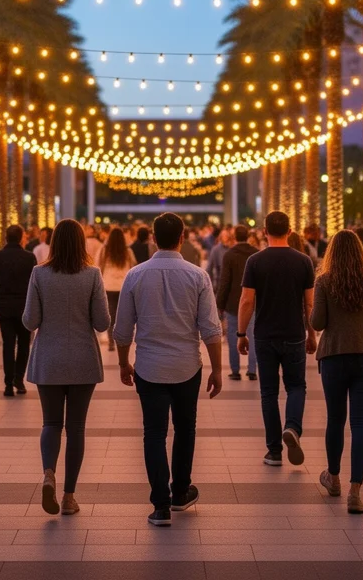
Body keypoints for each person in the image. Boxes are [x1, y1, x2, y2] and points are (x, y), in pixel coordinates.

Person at [114, 212, 223, 527]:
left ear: (152, 238)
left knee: (154, 432)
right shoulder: (198, 276)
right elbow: (210, 329)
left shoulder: (135, 275)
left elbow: (122, 329)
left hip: (148, 366)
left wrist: (123, 362)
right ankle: (180, 492)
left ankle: (160, 505)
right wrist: (217, 369)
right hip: (187, 364)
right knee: (185, 429)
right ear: (182, 237)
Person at [23, 219, 111, 516]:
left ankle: (49, 473)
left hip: (49, 358)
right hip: (83, 360)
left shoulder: (39, 273)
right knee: (76, 428)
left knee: (51, 423)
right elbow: (102, 322)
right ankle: (69, 497)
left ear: (54, 242)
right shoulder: (92, 274)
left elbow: (30, 321)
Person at [310, 230, 363, 514]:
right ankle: (355, 492)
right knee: (360, 423)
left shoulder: (324, 281)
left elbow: (318, 323)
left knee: (335, 419)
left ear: (331, 252)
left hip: (334, 356)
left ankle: (333, 478)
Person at [238, 210, 315, 467]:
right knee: (296, 386)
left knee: (269, 392)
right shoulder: (304, 261)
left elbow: (247, 301)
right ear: (290, 231)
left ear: (264, 231)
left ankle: (274, 451)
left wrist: (241, 334)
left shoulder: (255, 261)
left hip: (264, 335)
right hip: (294, 334)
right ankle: (292, 427)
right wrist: (311, 333)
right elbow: (309, 303)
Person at [0, 224, 38, 397]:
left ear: (6, 237)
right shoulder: (29, 257)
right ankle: (19, 380)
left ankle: (8, 384)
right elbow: (34, 281)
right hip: (24, 306)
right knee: (24, 344)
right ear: (22, 237)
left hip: (4, 305)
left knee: (8, 345)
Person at [214, 225, 257, 381]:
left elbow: (224, 282)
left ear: (234, 237)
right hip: (253, 302)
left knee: (233, 336)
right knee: (252, 335)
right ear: (247, 236)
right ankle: (252, 370)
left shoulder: (229, 255)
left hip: (233, 303)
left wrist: (220, 304)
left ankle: (235, 370)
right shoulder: (256, 253)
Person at [98, 226, 137, 351]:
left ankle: (111, 341)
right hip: (124, 286)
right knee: (124, 316)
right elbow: (133, 268)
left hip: (108, 286)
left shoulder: (104, 250)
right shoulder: (128, 251)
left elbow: (99, 266)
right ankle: (122, 341)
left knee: (111, 314)